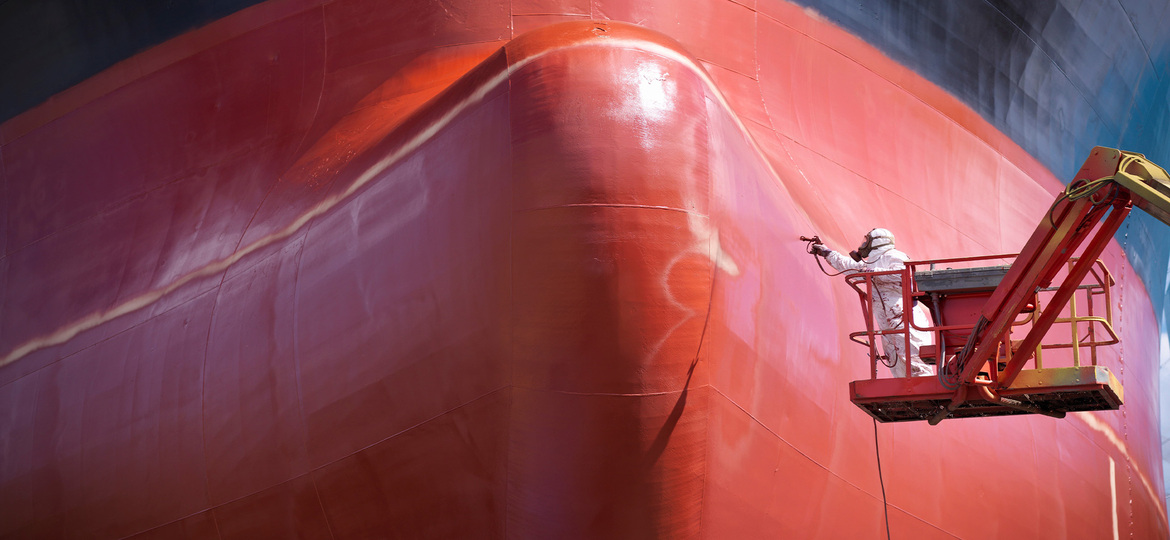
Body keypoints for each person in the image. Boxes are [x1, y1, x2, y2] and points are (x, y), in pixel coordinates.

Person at [812, 229, 934, 377]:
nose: (863, 245)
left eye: (866, 241)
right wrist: (827, 253)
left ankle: (922, 385)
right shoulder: (872, 262)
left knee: (914, 360)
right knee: (896, 363)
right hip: (888, 322)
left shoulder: (894, 256)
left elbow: (900, 274)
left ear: (877, 241)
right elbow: (849, 266)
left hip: (905, 317)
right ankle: (907, 387)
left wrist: (871, 272)